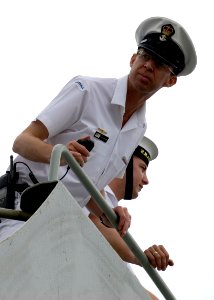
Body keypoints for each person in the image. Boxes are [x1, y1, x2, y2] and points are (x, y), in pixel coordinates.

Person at [0, 16, 197, 242]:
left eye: (160, 63)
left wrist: (108, 211)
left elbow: (91, 187)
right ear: (133, 59)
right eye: (145, 56)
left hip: (60, 224)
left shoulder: (138, 128)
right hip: (20, 206)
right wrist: (61, 154)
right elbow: (22, 141)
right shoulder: (87, 90)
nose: (148, 65)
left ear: (170, 81)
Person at [87, 136, 173, 300]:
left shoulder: (112, 213)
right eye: (142, 168)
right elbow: (94, 222)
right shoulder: (90, 191)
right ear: (123, 163)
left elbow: (127, 285)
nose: (146, 180)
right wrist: (139, 256)